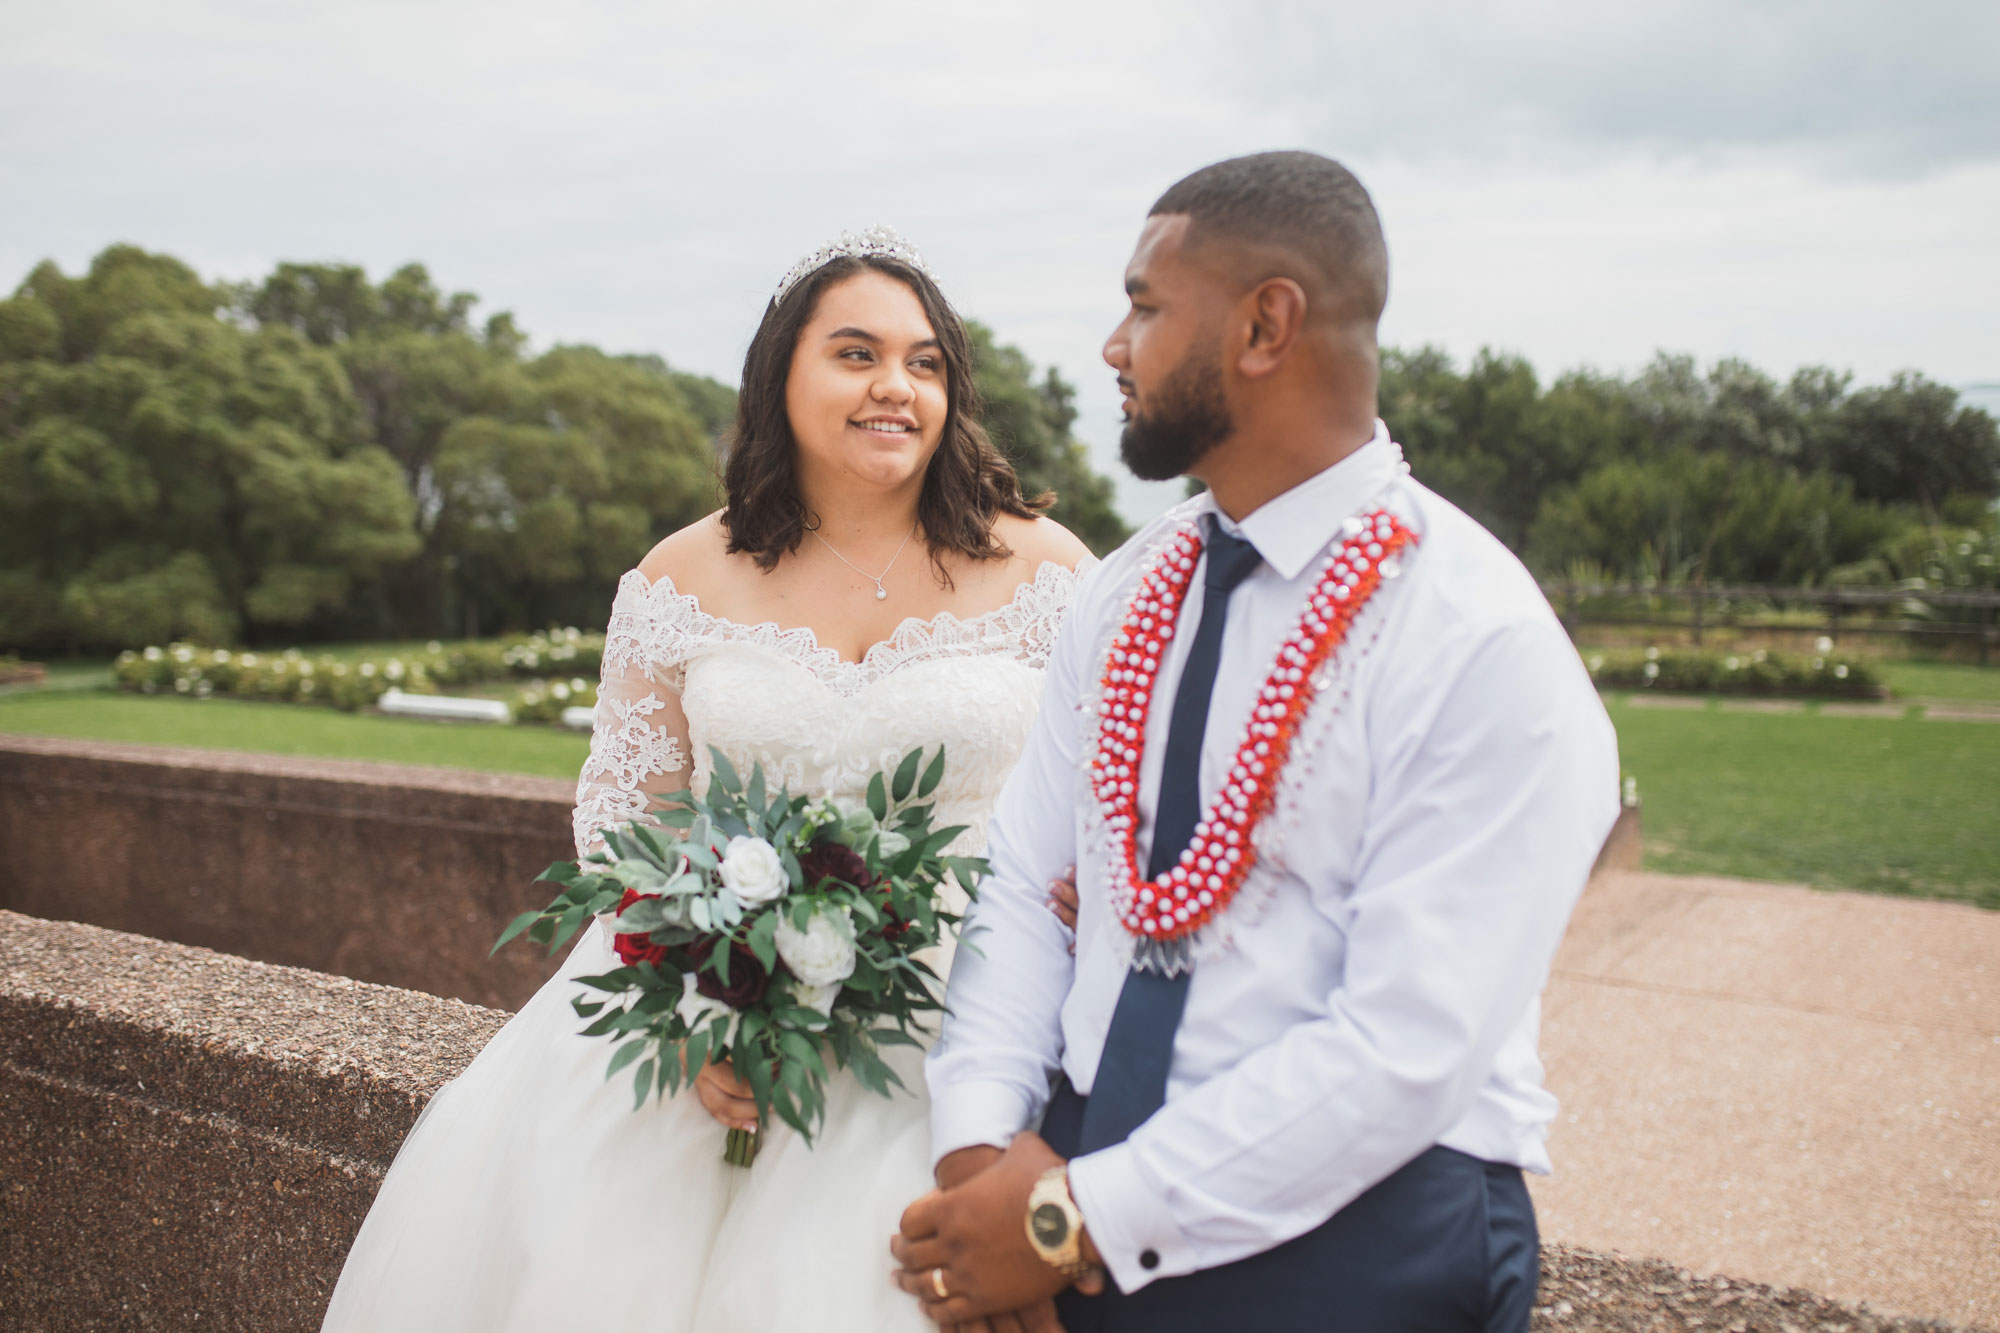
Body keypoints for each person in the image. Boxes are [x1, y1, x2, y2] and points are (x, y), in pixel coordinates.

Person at [892, 152, 1620, 1332]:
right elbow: (1025, 882)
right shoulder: (1125, 593)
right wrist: (981, 1154)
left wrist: (1064, 1218)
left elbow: (1403, 1044)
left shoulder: (1477, 641)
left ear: (1263, 324)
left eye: (1141, 303)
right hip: (1063, 1179)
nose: (1112, 346)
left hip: (1350, 1232)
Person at [320, 226, 1094, 1332]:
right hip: (720, 1011)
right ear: (780, 375)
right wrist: (693, 1005)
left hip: (971, 1014)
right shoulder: (678, 576)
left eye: (925, 363)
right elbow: (629, 823)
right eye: (855, 354)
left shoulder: (1052, 572)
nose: (895, 387)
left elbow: (1118, 804)